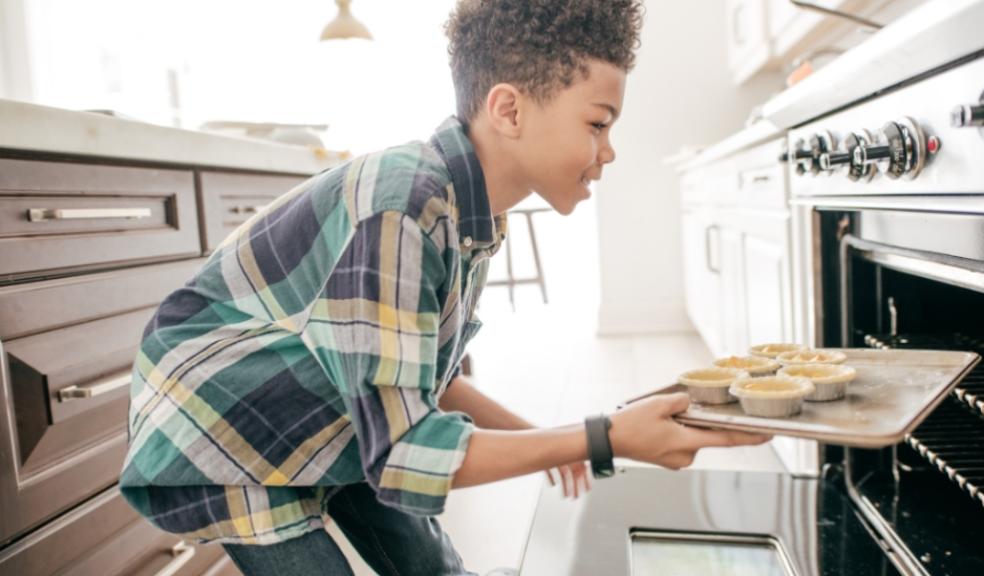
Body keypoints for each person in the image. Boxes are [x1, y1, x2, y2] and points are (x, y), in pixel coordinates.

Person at [119, 1, 769, 574]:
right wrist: (599, 437)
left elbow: (428, 377)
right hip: (224, 421)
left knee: (428, 562)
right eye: (598, 124)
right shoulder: (406, 204)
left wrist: (548, 438)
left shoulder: (472, 213)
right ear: (509, 109)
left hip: (337, 410)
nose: (609, 150)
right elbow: (402, 450)